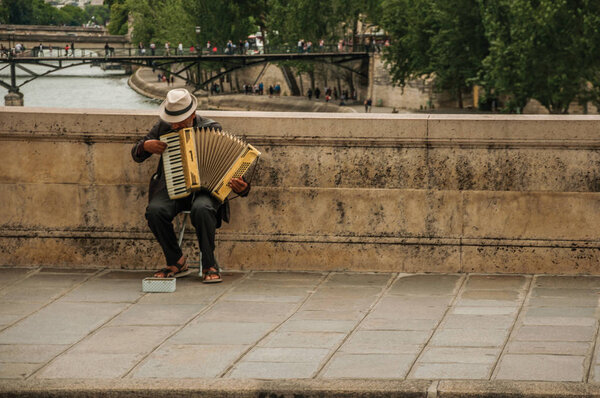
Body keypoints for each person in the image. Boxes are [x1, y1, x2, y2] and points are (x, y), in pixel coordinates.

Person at [131, 89, 251, 282]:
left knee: (202, 208)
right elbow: (136, 154)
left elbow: (230, 164)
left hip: (205, 191)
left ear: (192, 115)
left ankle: (210, 264)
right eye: (172, 120)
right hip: (172, 187)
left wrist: (243, 187)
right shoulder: (163, 127)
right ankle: (176, 261)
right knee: (154, 210)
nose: (175, 124)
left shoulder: (211, 128)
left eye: (179, 120)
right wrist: (145, 147)